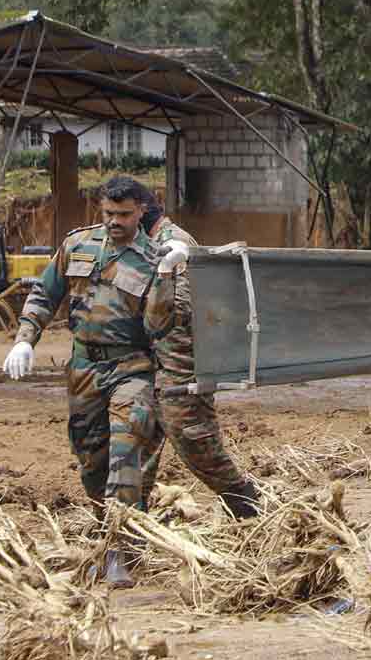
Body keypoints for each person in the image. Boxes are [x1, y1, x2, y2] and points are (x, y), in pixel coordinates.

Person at [1, 176, 171, 587]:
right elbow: (44, 293)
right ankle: (112, 527)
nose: (115, 221)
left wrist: (166, 279)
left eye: (124, 214)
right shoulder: (77, 245)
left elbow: (161, 326)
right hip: (83, 369)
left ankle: (119, 551)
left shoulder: (152, 261)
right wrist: (25, 340)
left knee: (125, 450)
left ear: (140, 212)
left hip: (131, 367)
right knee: (91, 460)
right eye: (109, 213)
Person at [140, 193, 260, 519]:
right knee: (137, 448)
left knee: (198, 445)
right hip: (156, 369)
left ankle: (251, 511)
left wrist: (176, 378)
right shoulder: (154, 243)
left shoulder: (172, 242)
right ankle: (129, 527)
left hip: (178, 370)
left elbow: (177, 316)